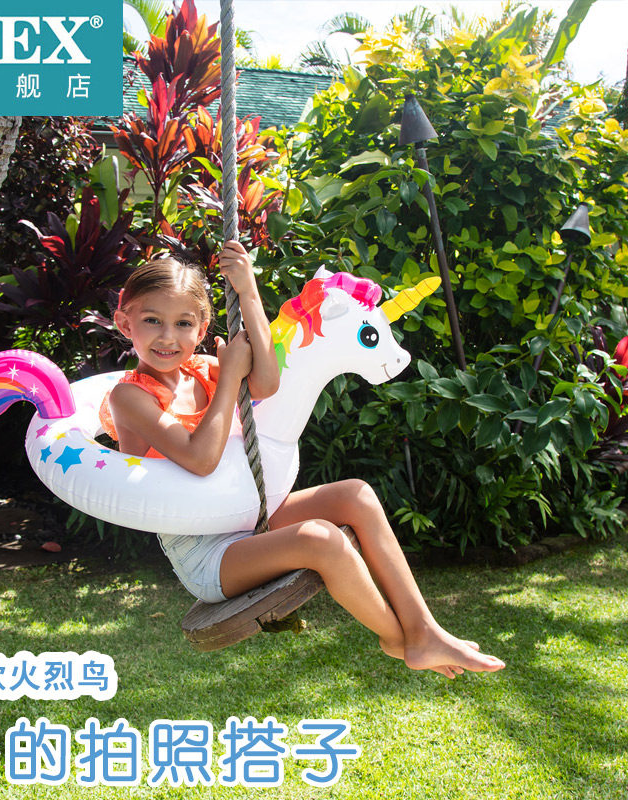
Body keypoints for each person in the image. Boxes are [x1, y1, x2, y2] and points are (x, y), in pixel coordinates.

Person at [100, 241, 505, 679]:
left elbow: (266, 383)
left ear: (200, 330)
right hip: (206, 552)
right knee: (321, 538)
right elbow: (201, 459)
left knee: (355, 495)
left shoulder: (201, 369)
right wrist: (230, 375)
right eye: (152, 320)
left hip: (242, 516)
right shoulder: (130, 397)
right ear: (125, 323)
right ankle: (399, 639)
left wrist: (248, 292)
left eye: (183, 323)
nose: (168, 336)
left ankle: (424, 627)